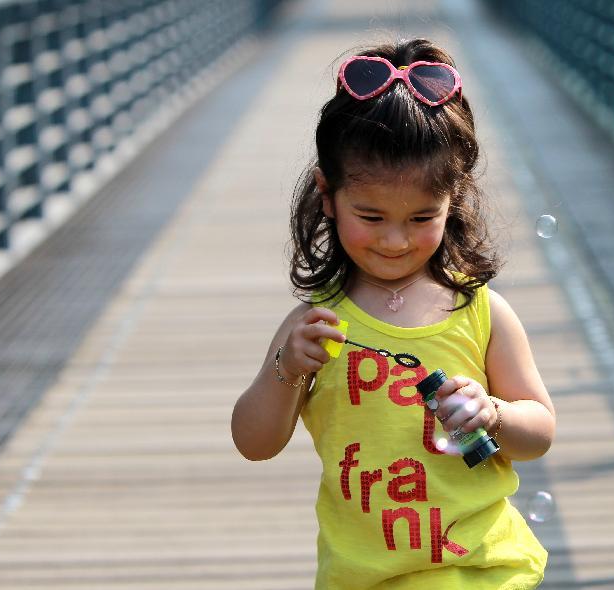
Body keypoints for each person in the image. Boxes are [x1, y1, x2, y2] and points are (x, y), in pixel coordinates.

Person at [231, 38, 555, 589]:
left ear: (455, 199)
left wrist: (495, 414)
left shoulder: (481, 312)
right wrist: (286, 369)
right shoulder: (314, 326)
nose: (396, 240)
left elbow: (539, 431)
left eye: (422, 217)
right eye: (371, 216)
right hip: (367, 578)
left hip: (483, 569)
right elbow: (254, 443)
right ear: (327, 196)